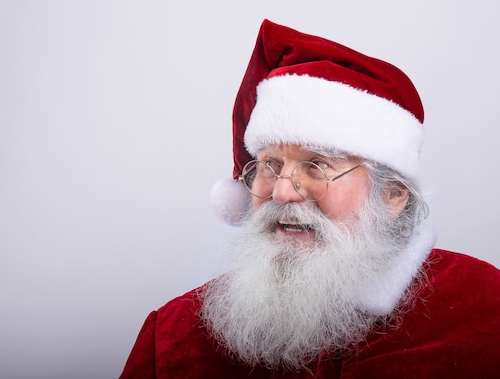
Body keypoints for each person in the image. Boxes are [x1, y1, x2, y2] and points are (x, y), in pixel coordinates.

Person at [119, 19, 500, 378]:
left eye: (316, 166)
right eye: (269, 165)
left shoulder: (484, 308)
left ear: (392, 195)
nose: (282, 191)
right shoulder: (172, 334)